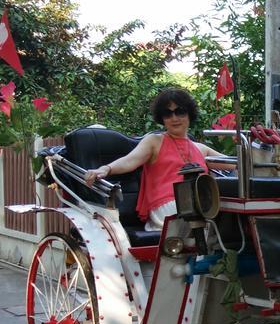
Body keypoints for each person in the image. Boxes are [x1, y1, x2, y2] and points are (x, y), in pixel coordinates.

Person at [84, 88, 227, 230]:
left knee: (230, 211)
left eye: (180, 111)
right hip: (169, 206)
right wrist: (106, 169)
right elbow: (130, 160)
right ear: (162, 118)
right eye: (168, 113)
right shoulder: (154, 141)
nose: (174, 118)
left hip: (201, 205)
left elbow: (234, 163)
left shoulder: (201, 149)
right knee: (204, 218)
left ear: (189, 114)